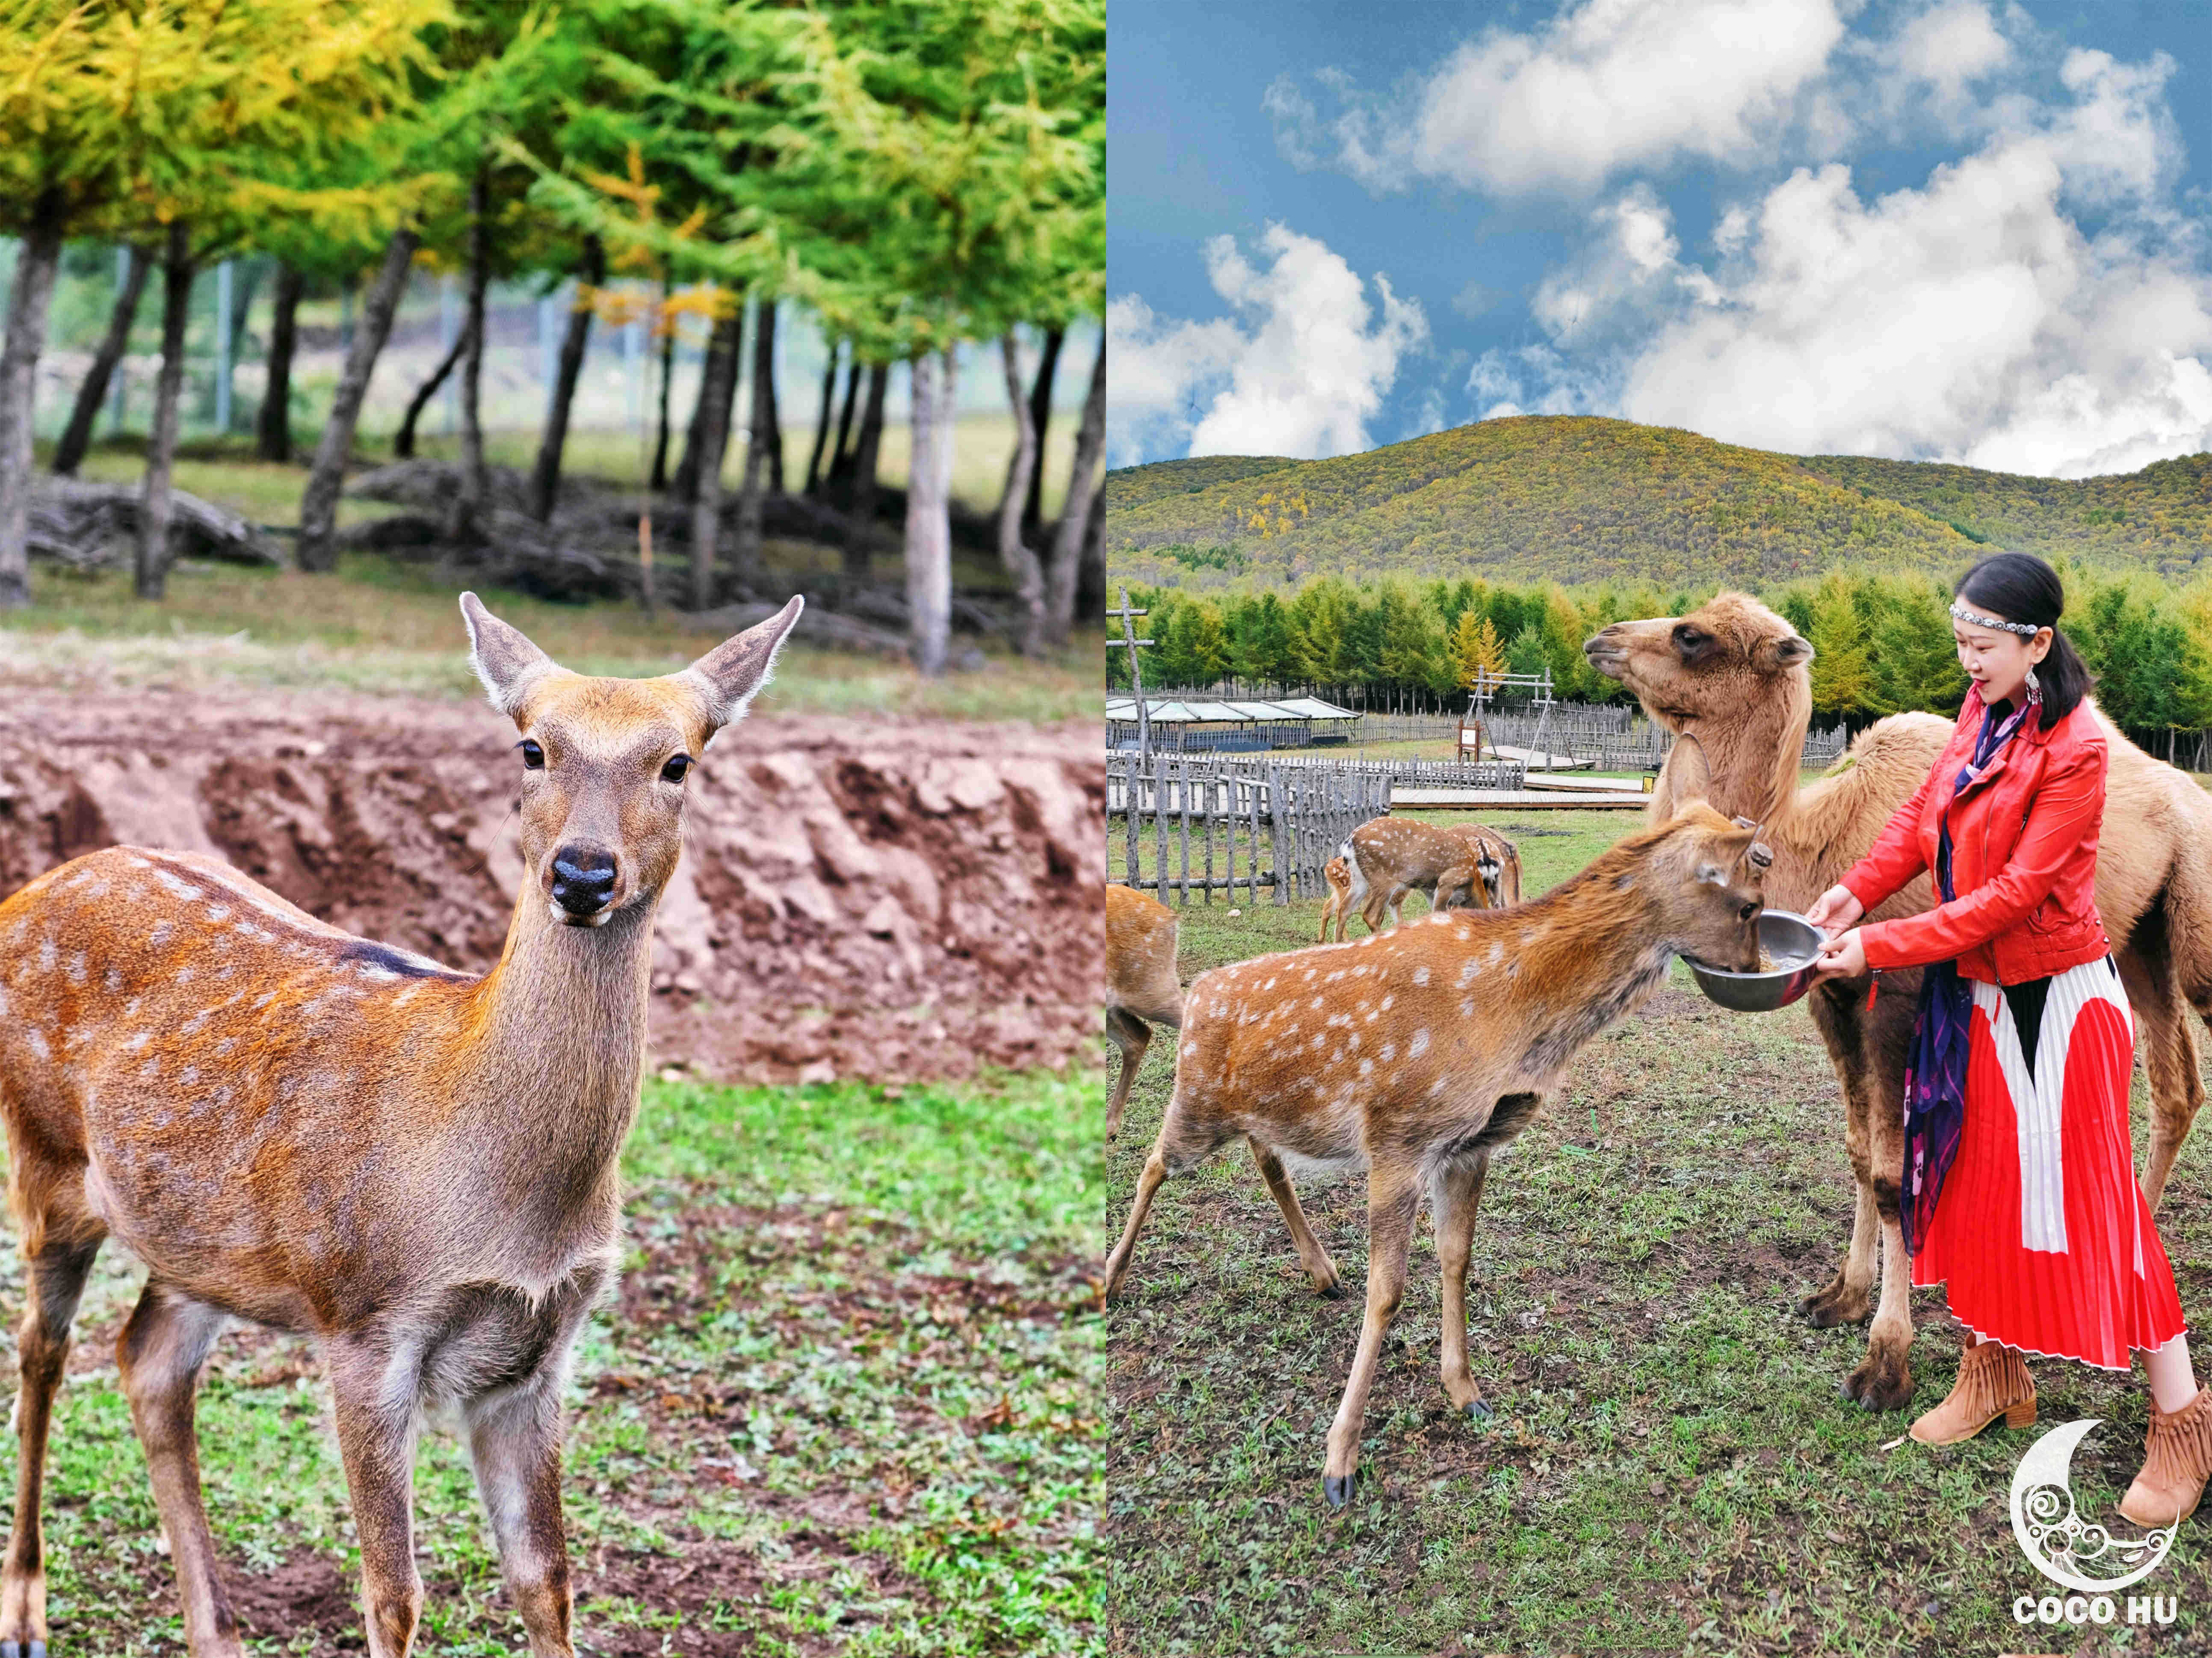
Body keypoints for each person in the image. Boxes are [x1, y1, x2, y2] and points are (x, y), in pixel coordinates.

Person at [1804, 551, 2210, 1527]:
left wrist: (1876, 943)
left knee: (2106, 1212)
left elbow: (2012, 898)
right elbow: (1918, 818)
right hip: (1982, 1007)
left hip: (2062, 1007)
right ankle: (1994, 1374)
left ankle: (2184, 1423)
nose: (1966, 663)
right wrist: (1855, 888)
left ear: (2036, 643)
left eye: (1981, 647)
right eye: (1959, 643)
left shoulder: (2077, 751)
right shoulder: (1984, 717)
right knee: (1978, 1197)